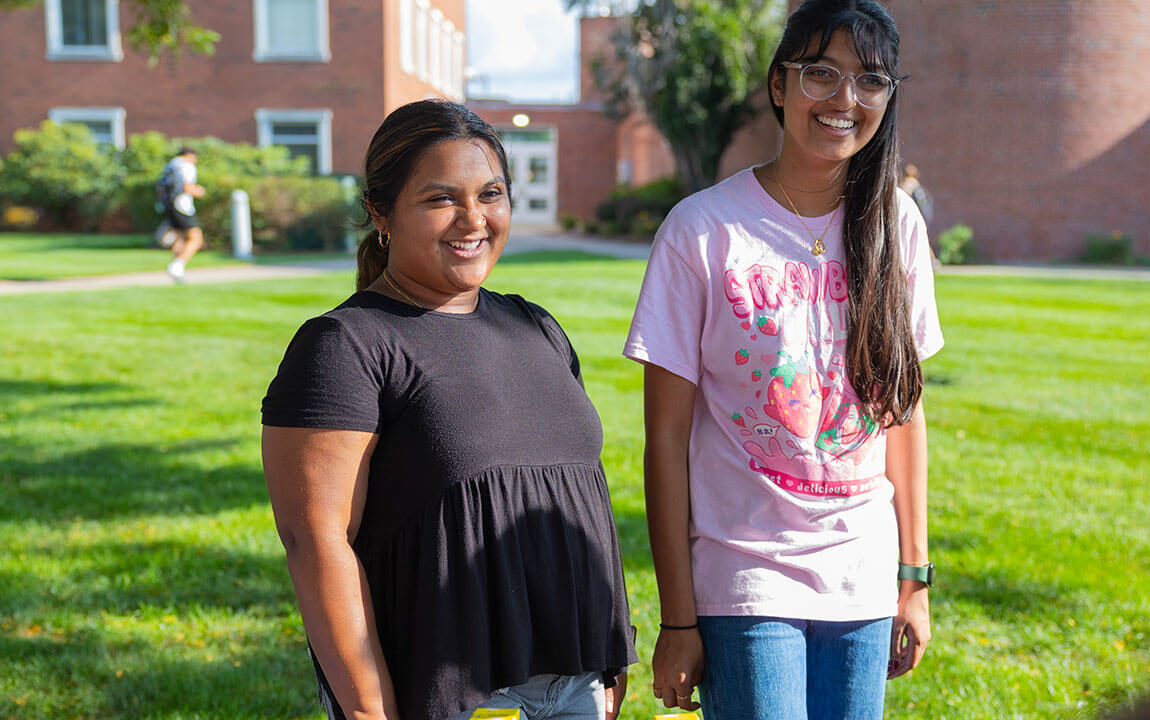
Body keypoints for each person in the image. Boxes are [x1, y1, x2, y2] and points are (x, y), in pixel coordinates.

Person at [261, 100, 636, 720]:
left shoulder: (535, 326)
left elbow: (577, 496)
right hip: (450, 694)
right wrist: (367, 709)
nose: (473, 219)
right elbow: (316, 542)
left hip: (577, 685)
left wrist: (606, 654)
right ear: (380, 212)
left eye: (491, 193)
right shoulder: (346, 345)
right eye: (441, 199)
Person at [623, 2, 941, 719]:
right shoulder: (702, 231)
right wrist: (679, 619)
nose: (844, 99)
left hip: (861, 573)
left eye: (871, 80)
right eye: (820, 73)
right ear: (778, 85)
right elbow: (666, 442)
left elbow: (905, 413)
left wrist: (913, 579)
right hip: (746, 576)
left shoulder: (897, 226)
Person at [157, 146, 206, 282]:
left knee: (179, 238)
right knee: (196, 238)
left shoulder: (170, 166)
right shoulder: (186, 166)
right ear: (190, 155)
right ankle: (177, 266)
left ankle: (178, 272)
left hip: (168, 206)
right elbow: (188, 188)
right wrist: (200, 191)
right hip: (182, 207)